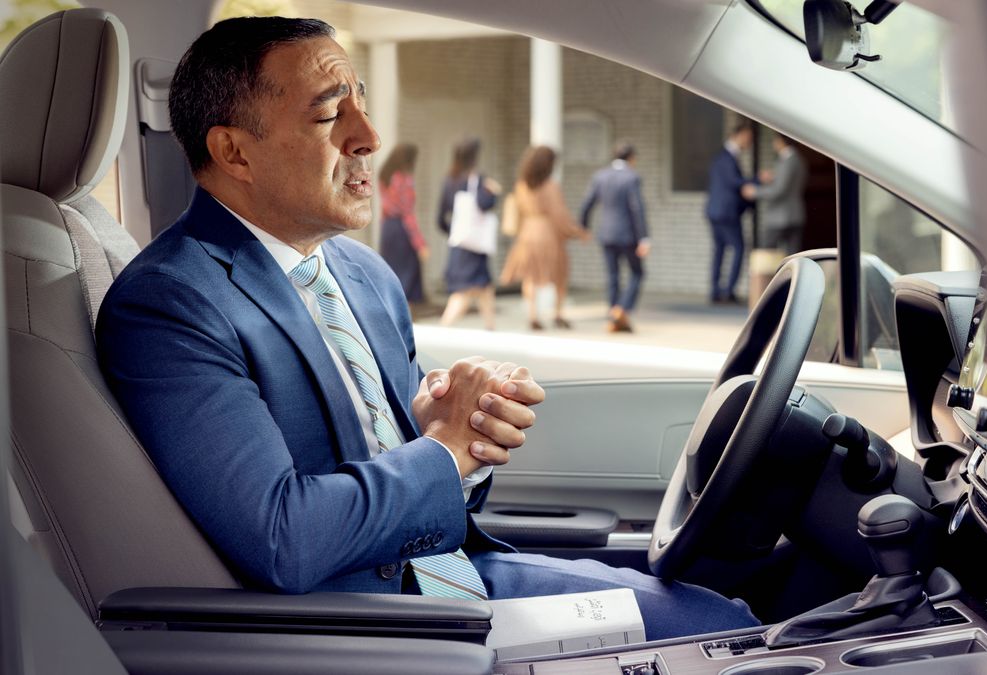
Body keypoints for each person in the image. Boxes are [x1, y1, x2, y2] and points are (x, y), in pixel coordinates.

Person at [95, 17, 757, 641]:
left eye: (360, 103)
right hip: (370, 628)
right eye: (330, 115)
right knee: (721, 633)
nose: (368, 136)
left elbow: (428, 462)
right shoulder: (170, 303)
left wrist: (457, 428)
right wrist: (443, 450)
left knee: (725, 613)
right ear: (234, 151)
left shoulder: (361, 273)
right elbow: (282, 538)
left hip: (454, 577)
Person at [500, 146, 588, 331]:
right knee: (559, 274)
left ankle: (532, 315)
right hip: (547, 233)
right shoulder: (550, 186)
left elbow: (520, 212)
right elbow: (559, 215)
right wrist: (576, 231)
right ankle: (558, 314)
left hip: (527, 233)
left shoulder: (521, 185)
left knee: (530, 277)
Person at [579, 141, 650, 333]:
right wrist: (644, 238)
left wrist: (584, 227)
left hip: (607, 233)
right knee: (637, 273)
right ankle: (622, 309)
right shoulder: (631, 177)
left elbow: (587, 203)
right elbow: (637, 209)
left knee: (612, 275)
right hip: (628, 235)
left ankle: (613, 315)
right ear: (631, 158)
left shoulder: (600, 176)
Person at [438, 137, 499, 330]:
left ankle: (491, 328)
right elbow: (484, 204)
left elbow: (440, 217)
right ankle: (442, 329)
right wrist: (494, 192)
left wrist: (456, 233)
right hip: (473, 246)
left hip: (460, 245)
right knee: (463, 293)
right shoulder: (477, 178)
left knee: (484, 287)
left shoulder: (449, 180)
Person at [705, 118, 755, 305]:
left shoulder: (723, 156)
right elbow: (733, 182)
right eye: (748, 138)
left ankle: (717, 290)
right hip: (726, 212)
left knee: (719, 251)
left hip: (716, 211)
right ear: (738, 135)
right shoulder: (727, 157)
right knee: (738, 248)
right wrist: (757, 181)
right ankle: (727, 291)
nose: (749, 143)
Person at [377, 144, 427, 304]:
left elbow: (384, 208)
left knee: (391, 273)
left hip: (387, 228)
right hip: (401, 231)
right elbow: (408, 214)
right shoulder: (404, 180)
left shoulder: (384, 176)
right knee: (406, 278)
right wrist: (420, 244)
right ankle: (403, 319)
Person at [743, 134, 807, 255]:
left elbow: (779, 190)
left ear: (781, 141)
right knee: (793, 254)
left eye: (775, 140)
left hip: (781, 217)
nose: (773, 144)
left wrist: (755, 191)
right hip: (795, 215)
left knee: (766, 251)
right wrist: (773, 177)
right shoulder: (798, 159)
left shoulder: (788, 160)